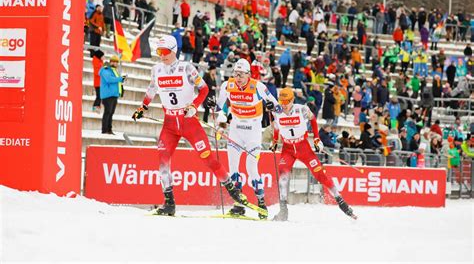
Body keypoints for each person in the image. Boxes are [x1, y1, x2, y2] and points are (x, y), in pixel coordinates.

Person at [131, 35, 246, 216]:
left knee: (208, 158)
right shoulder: (157, 69)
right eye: (159, 52)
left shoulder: (186, 68)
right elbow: (151, 89)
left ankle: (236, 195)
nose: (162, 55)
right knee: (162, 161)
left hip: (188, 121)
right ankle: (169, 203)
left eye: (165, 52)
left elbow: (205, 88)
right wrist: (143, 107)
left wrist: (194, 105)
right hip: (169, 123)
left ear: (174, 50)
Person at [270, 88, 356, 221]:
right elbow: (276, 127)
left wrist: (316, 139)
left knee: (319, 173)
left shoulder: (302, 109)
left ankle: (340, 201)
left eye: (287, 101)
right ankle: (283, 210)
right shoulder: (276, 111)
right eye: (282, 101)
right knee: (282, 174)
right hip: (287, 149)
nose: (284, 105)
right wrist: (275, 141)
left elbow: (313, 119)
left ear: (292, 100)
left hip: (303, 147)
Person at [211, 58, 281, 219]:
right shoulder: (227, 86)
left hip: (253, 131)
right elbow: (219, 106)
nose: (238, 77)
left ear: (248, 74)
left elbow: (277, 107)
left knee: (251, 168)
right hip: (235, 129)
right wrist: (211, 105)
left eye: (241, 74)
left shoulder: (258, 86)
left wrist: (272, 107)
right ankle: (238, 204)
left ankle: (261, 202)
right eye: (236, 73)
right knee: (233, 170)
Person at [99, 55, 124, 134]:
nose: (115, 63)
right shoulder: (105, 69)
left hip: (114, 95)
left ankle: (109, 129)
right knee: (107, 112)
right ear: (110, 62)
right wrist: (120, 78)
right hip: (107, 95)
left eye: (116, 62)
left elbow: (116, 82)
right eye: (113, 61)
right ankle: (104, 130)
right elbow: (109, 79)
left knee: (111, 113)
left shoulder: (114, 71)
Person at [91, 49, 104, 113]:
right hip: (97, 83)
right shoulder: (97, 62)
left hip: (100, 82)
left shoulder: (100, 62)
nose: (103, 57)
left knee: (100, 96)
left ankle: (97, 107)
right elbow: (97, 72)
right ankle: (95, 107)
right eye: (102, 56)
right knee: (99, 96)